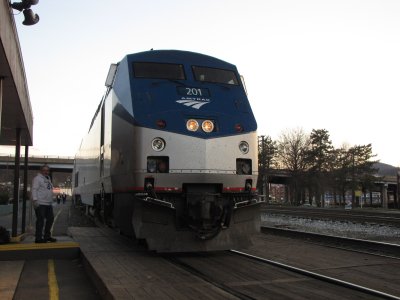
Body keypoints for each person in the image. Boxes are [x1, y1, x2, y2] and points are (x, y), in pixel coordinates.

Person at [31, 165, 57, 243]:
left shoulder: (48, 179)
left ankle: (47, 236)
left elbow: (49, 190)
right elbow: (34, 189)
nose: (46, 172)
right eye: (44, 170)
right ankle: (38, 238)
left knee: (50, 219)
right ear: (41, 171)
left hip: (48, 203)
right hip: (40, 203)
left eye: (47, 170)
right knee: (40, 220)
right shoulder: (37, 179)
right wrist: (35, 200)